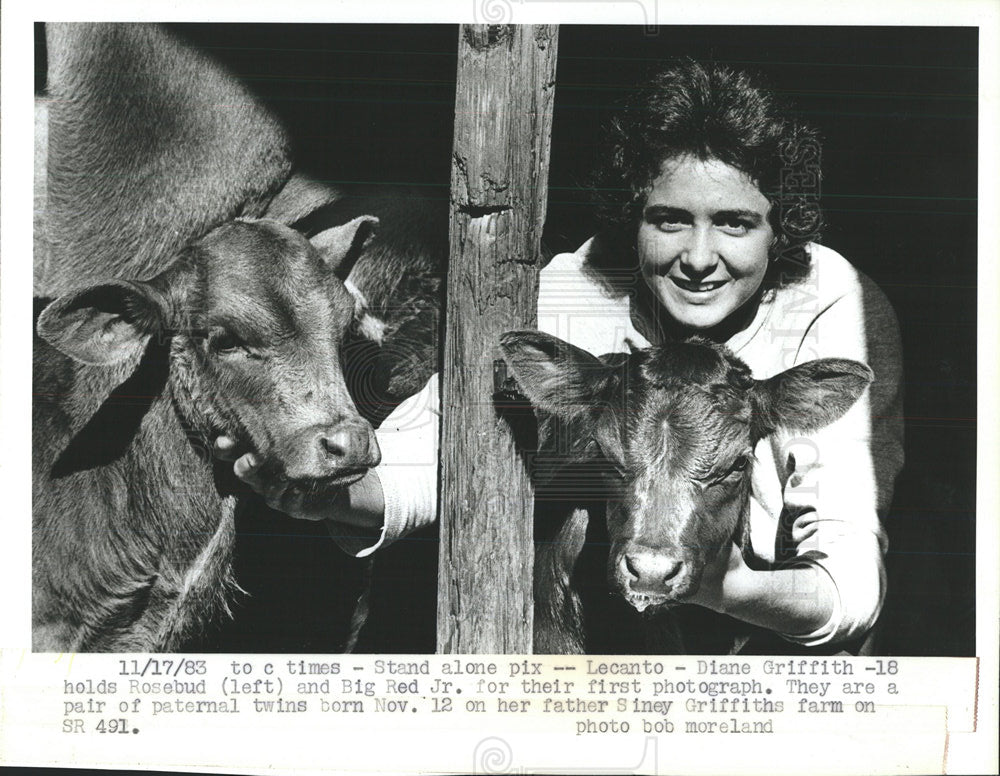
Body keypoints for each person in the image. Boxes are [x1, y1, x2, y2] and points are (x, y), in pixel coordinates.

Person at [215, 60, 903, 650]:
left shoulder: (827, 299)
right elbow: (437, 451)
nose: (698, 259)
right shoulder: (575, 290)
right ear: (633, 215)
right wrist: (345, 497)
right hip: (604, 592)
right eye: (668, 220)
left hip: (760, 600)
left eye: (734, 223)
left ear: (780, 228)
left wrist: (710, 583)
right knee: (568, 507)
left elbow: (848, 578)